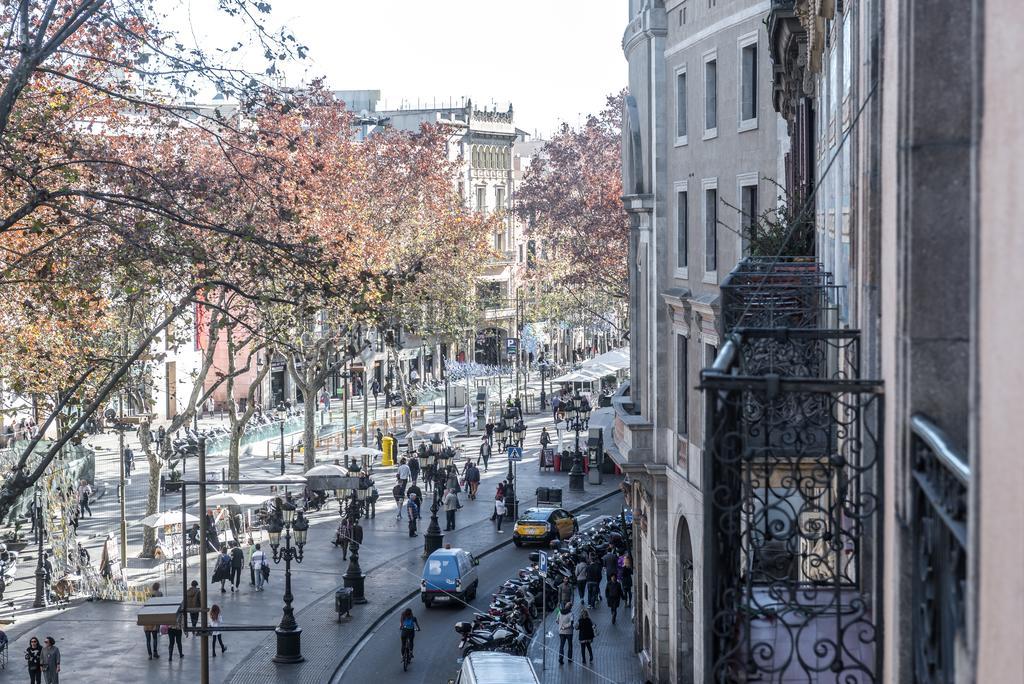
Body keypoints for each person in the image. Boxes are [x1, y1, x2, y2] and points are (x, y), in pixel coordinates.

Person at [145, 582, 163, 659]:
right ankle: (155, 652)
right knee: (155, 638)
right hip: (155, 620)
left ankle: (149, 654)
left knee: (148, 640)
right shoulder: (160, 593)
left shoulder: (148, 595)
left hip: (146, 623)